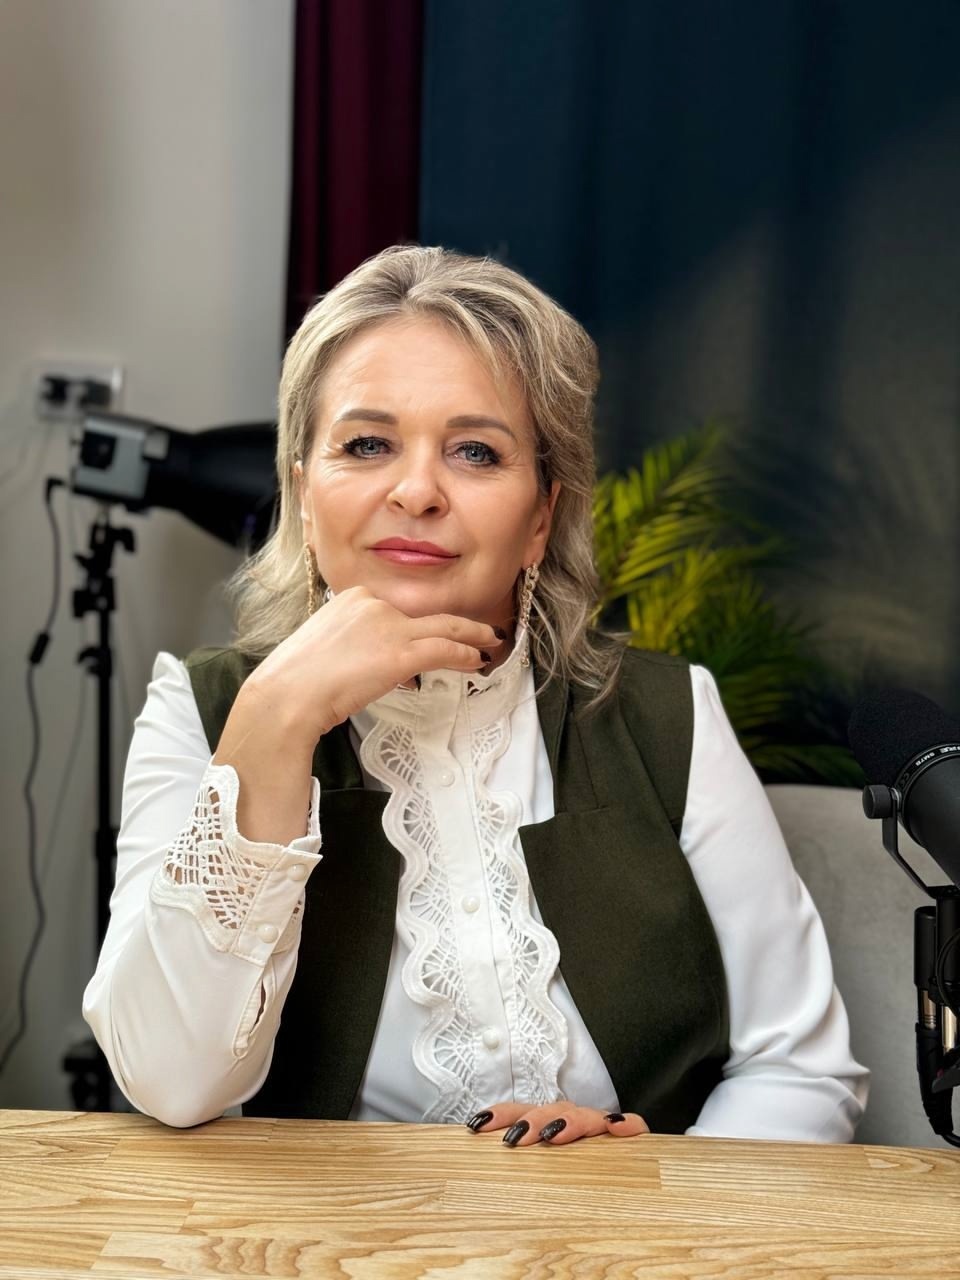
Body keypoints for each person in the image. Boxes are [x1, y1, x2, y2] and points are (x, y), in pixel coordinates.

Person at [83, 245, 868, 1145]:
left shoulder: (669, 714)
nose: (417, 491)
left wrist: (655, 1187)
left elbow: (799, 1070)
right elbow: (171, 1084)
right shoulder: (204, 709)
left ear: (540, 517)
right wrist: (275, 720)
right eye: (367, 444)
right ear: (304, 494)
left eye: (475, 452)